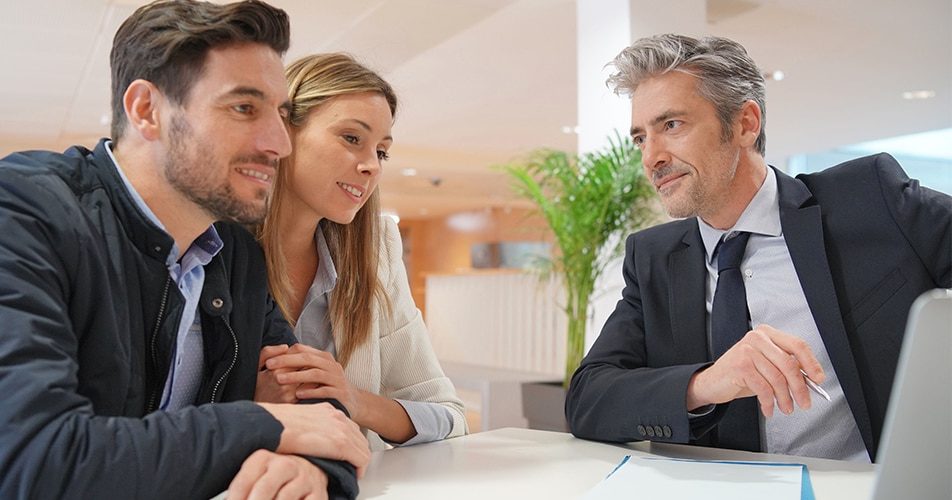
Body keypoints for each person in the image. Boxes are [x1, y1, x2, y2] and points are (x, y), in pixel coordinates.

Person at [0, 1, 369, 498]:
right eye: (244, 108)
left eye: (282, 114)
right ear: (147, 110)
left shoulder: (235, 255)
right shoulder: (9, 218)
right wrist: (262, 426)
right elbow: (29, 472)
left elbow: (316, 410)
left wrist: (312, 467)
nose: (280, 142)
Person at [564, 34, 951, 462]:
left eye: (671, 125)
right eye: (640, 138)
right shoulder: (652, 257)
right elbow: (587, 399)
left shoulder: (869, 199)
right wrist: (707, 383)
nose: (650, 157)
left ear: (746, 124)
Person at [249, 53, 468, 450]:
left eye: (381, 151)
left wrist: (354, 400)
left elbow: (447, 415)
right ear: (283, 132)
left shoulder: (376, 249)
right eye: (352, 138)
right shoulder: (210, 245)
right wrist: (250, 409)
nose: (372, 166)